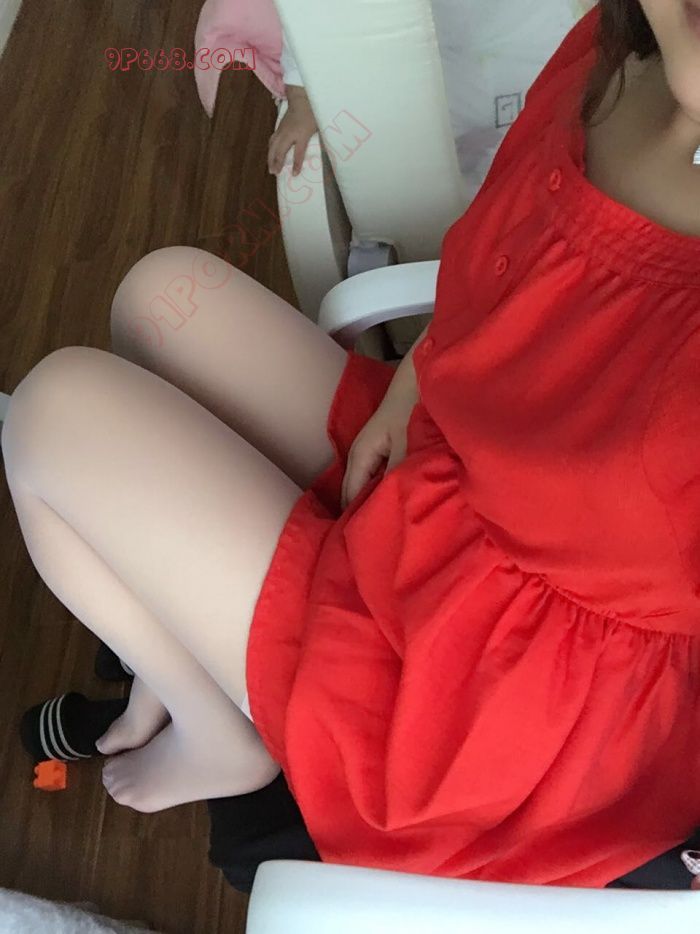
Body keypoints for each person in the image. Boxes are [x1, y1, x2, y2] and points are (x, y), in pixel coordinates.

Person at [3, 0, 700, 888]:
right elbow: (501, 252)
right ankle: (180, 664)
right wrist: (412, 383)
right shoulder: (621, 45)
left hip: (486, 687)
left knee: (52, 412)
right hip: (454, 451)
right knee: (158, 299)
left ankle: (219, 733)